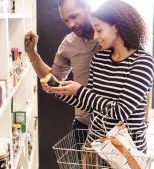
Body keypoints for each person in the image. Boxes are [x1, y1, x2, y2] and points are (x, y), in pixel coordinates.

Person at [50, 0, 154, 152]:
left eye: (99, 30)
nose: (95, 36)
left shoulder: (143, 62)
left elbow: (121, 111)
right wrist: (61, 90)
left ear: (117, 26)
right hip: (96, 146)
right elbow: (91, 106)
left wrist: (79, 91)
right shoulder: (99, 59)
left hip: (127, 150)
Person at [24, 0, 101, 130]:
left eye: (74, 16)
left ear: (88, 8)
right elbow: (54, 79)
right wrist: (31, 53)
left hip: (116, 123)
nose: (71, 24)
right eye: (66, 20)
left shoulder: (112, 36)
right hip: (83, 123)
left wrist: (144, 120)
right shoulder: (68, 43)